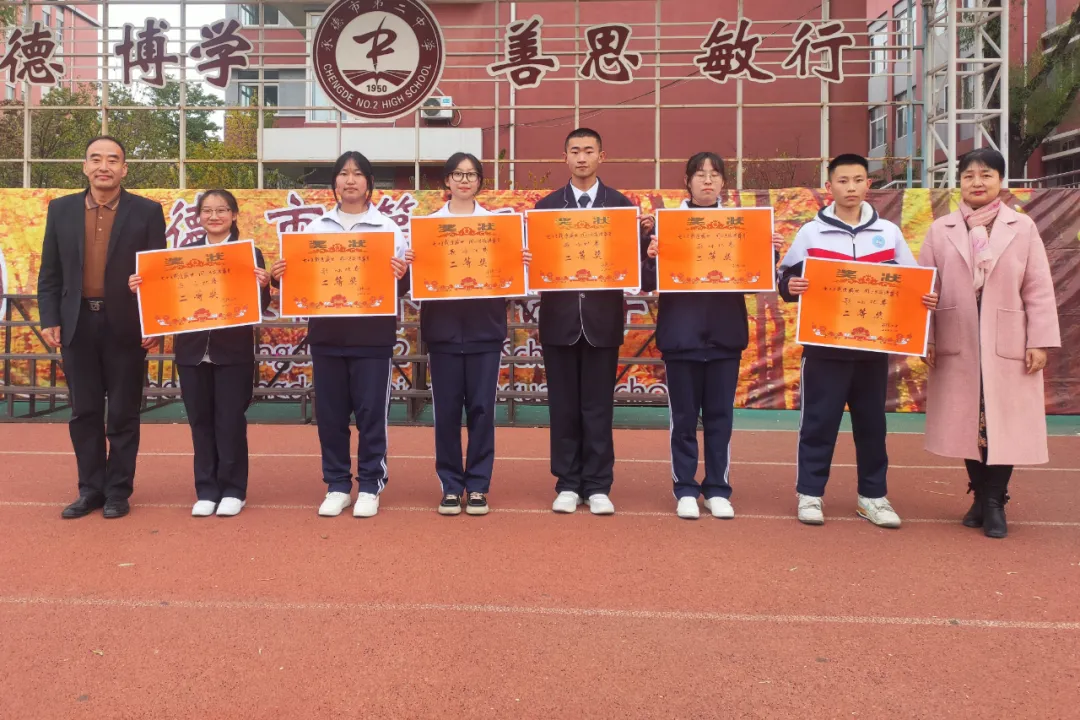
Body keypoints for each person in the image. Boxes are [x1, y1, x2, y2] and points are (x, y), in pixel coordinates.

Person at [777, 153, 937, 528]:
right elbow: (785, 277)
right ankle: (810, 494)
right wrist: (791, 285)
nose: (851, 187)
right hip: (824, 348)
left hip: (872, 349)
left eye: (858, 180)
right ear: (829, 186)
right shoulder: (811, 233)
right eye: (843, 180)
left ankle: (873, 497)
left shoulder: (889, 233)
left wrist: (925, 298)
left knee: (872, 426)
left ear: (869, 184)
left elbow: (911, 282)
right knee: (818, 423)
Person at [919, 148, 1059, 539]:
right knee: (966, 421)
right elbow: (923, 286)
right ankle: (980, 495)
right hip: (957, 338)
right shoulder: (941, 230)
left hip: (1008, 341)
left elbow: (1038, 287)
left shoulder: (1022, 227)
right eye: (969, 176)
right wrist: (926, 337)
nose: (977, 182)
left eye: (986, 175)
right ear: (959, 182)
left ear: (1001, 181)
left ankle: (995, 501)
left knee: (1003, 423)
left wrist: (1040, 341)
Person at [641, 152, 784, 519]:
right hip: (680, 336)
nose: (707, 180)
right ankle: (686, 488)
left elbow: (756, 281)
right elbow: (647, 283)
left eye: (715, 174)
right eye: (700, 174)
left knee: (720, 418)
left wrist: (769, 253)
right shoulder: (666, 224)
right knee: (684, 420)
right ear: (687, 181)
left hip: (725, 335)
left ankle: (718, 488)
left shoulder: (741, 226)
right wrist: (651, 256)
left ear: (723, 182)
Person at [270, 151, 411, 518]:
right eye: (344, 174)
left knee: (371, 415)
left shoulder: (388, 229)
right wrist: (282, 275)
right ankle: (336, 485)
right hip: (327, 337)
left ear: (369, 183)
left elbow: (401, 287)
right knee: (331, 417)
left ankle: (370, 485)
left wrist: (403, 275)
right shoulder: (315, 229)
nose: (350, 180)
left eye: (358, 174)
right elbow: (301, 282)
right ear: (334, 182)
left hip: (373, 338)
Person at [37, 136, 167, 520]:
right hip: (77, 324)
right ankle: (90, 489)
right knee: (84, 412)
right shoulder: (60, 209)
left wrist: (154, 321)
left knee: (124, 413)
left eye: (112, 160)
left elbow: (158, 273)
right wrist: (50, 318)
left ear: (124, 169)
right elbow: (50, 272)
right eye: (96, 159)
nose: (103, 166)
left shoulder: (147, 211)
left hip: (126, 325)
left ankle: (118, 491)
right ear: (85, 166)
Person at [127, 190, 272, 517]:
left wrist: (263, 286)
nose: (214, 216)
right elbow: (166, 298)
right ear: (199, 217)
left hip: (233, 352)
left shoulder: (249, 254)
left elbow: (259, 308)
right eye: (207, 211)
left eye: (222, 210)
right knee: (200, 421)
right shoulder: (182, 255)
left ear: (234, 215)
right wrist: (141, 288)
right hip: (191, 352)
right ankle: (206, 490)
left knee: (230, 421)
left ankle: (233, 490)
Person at [533, 127, 649, 516]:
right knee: (563, 407)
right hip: (559, 321)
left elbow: (636, 270)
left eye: (588, 151)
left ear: (602, 156)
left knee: (598, 407)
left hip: (602, 321)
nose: (581, 158)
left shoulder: (621, 207)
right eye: (575, 151)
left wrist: (647, 245)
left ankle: (598, 484)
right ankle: (567, 483)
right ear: (564, 157)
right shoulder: (547, 208)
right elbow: (535, 268)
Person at [418, 153, 532, 516]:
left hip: (485, 331)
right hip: (443, 333)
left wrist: (520, 265)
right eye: (457, 174)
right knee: (447, 413)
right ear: (446, 181)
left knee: (482, 410)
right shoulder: (427, 227)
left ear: (480, 181)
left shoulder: (497, 226)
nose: (464, 180)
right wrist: (412, 263)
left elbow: (511, 281)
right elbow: (415, 280)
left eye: (471, 174)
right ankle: (451, 486)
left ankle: (479, 485)